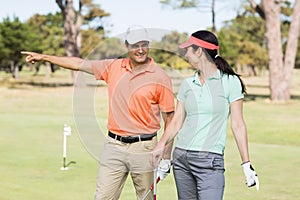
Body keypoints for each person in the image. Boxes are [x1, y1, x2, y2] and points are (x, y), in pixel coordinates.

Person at [21, 25, 175, 200]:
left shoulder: (160, 76)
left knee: (145, 197)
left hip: (145, 148)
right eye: (135, 45)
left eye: (144, 44)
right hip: (114, 146)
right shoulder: (113, 67)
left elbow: (170, 118)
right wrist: (45, 57)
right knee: (102, 197)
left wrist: (165, 156)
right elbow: (79, 63)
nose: (140, 50)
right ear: (126, 46)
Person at [151, 30, 259, 200]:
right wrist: (161, 147)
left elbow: (238, 124)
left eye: (188, 50)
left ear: (199, 51)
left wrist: (246, 164)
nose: (186, 55)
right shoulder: (188, 84)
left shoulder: (230, 82)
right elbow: (177, 121)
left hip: (209, 161)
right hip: (182, 159)